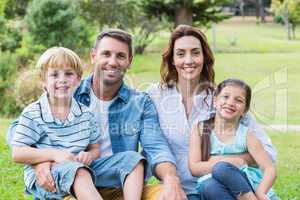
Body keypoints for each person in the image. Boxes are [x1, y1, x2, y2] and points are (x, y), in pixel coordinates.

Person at [8, 29, 187, 200]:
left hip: (120, 186)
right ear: (93, 56)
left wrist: (171, 178)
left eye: (121, 56)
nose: (113, 61)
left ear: (129, 61)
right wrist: (41, 161)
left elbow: (156, 147)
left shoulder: (140, 103)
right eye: (106, 54)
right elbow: (18, 130)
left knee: (167, 195)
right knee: (77, 175)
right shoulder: (68, 90)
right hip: (71, 187)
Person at [146, 25, 277, 200]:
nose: (189, 60)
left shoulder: (221, 100)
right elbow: (150, 146)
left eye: (195, 52)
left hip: (220, 188)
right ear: (171, 60)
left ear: (205, 57)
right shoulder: (155, 96)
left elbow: (268, 152)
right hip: (176, 192)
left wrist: (226, 163)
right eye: (180, 54)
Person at [11, 47, 104, 200]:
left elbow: (95, 148)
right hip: (47, 175)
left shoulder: (85, 114)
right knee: (79, 173)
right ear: (43, 81)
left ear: (78, 79)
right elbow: (18, 153)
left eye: (68, 74)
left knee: (84, 170)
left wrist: (89, 155)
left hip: (77, 169)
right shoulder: (34, 113)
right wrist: (54, 154)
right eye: (54, 75)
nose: (62, 79)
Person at [189, 78, 277, 200]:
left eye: (238, 100)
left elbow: (269, 168)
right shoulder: (199, 129)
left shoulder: (247, 135)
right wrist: (228, 162)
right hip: (215, 187)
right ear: (215, 100)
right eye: (225, 97)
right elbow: (194, 168)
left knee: (221, 169)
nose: (230, 103)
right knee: (208, 185)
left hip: (247, 187)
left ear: (245, 111)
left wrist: (261, 192)